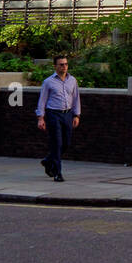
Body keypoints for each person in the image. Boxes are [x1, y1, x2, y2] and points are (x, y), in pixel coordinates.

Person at [35, 54, 81, 183]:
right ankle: (57, 173)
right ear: (55, 66)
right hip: (53, 114)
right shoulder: (48, 82)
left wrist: (76, 115)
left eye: (66, 64)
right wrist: (40, 118)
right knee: (57, 143)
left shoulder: (73, 80)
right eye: (61, 64)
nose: (64, 67)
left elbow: (76, 98)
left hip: (67, 114)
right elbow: (42, 100)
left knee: (66, 143)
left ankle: (48, 160)